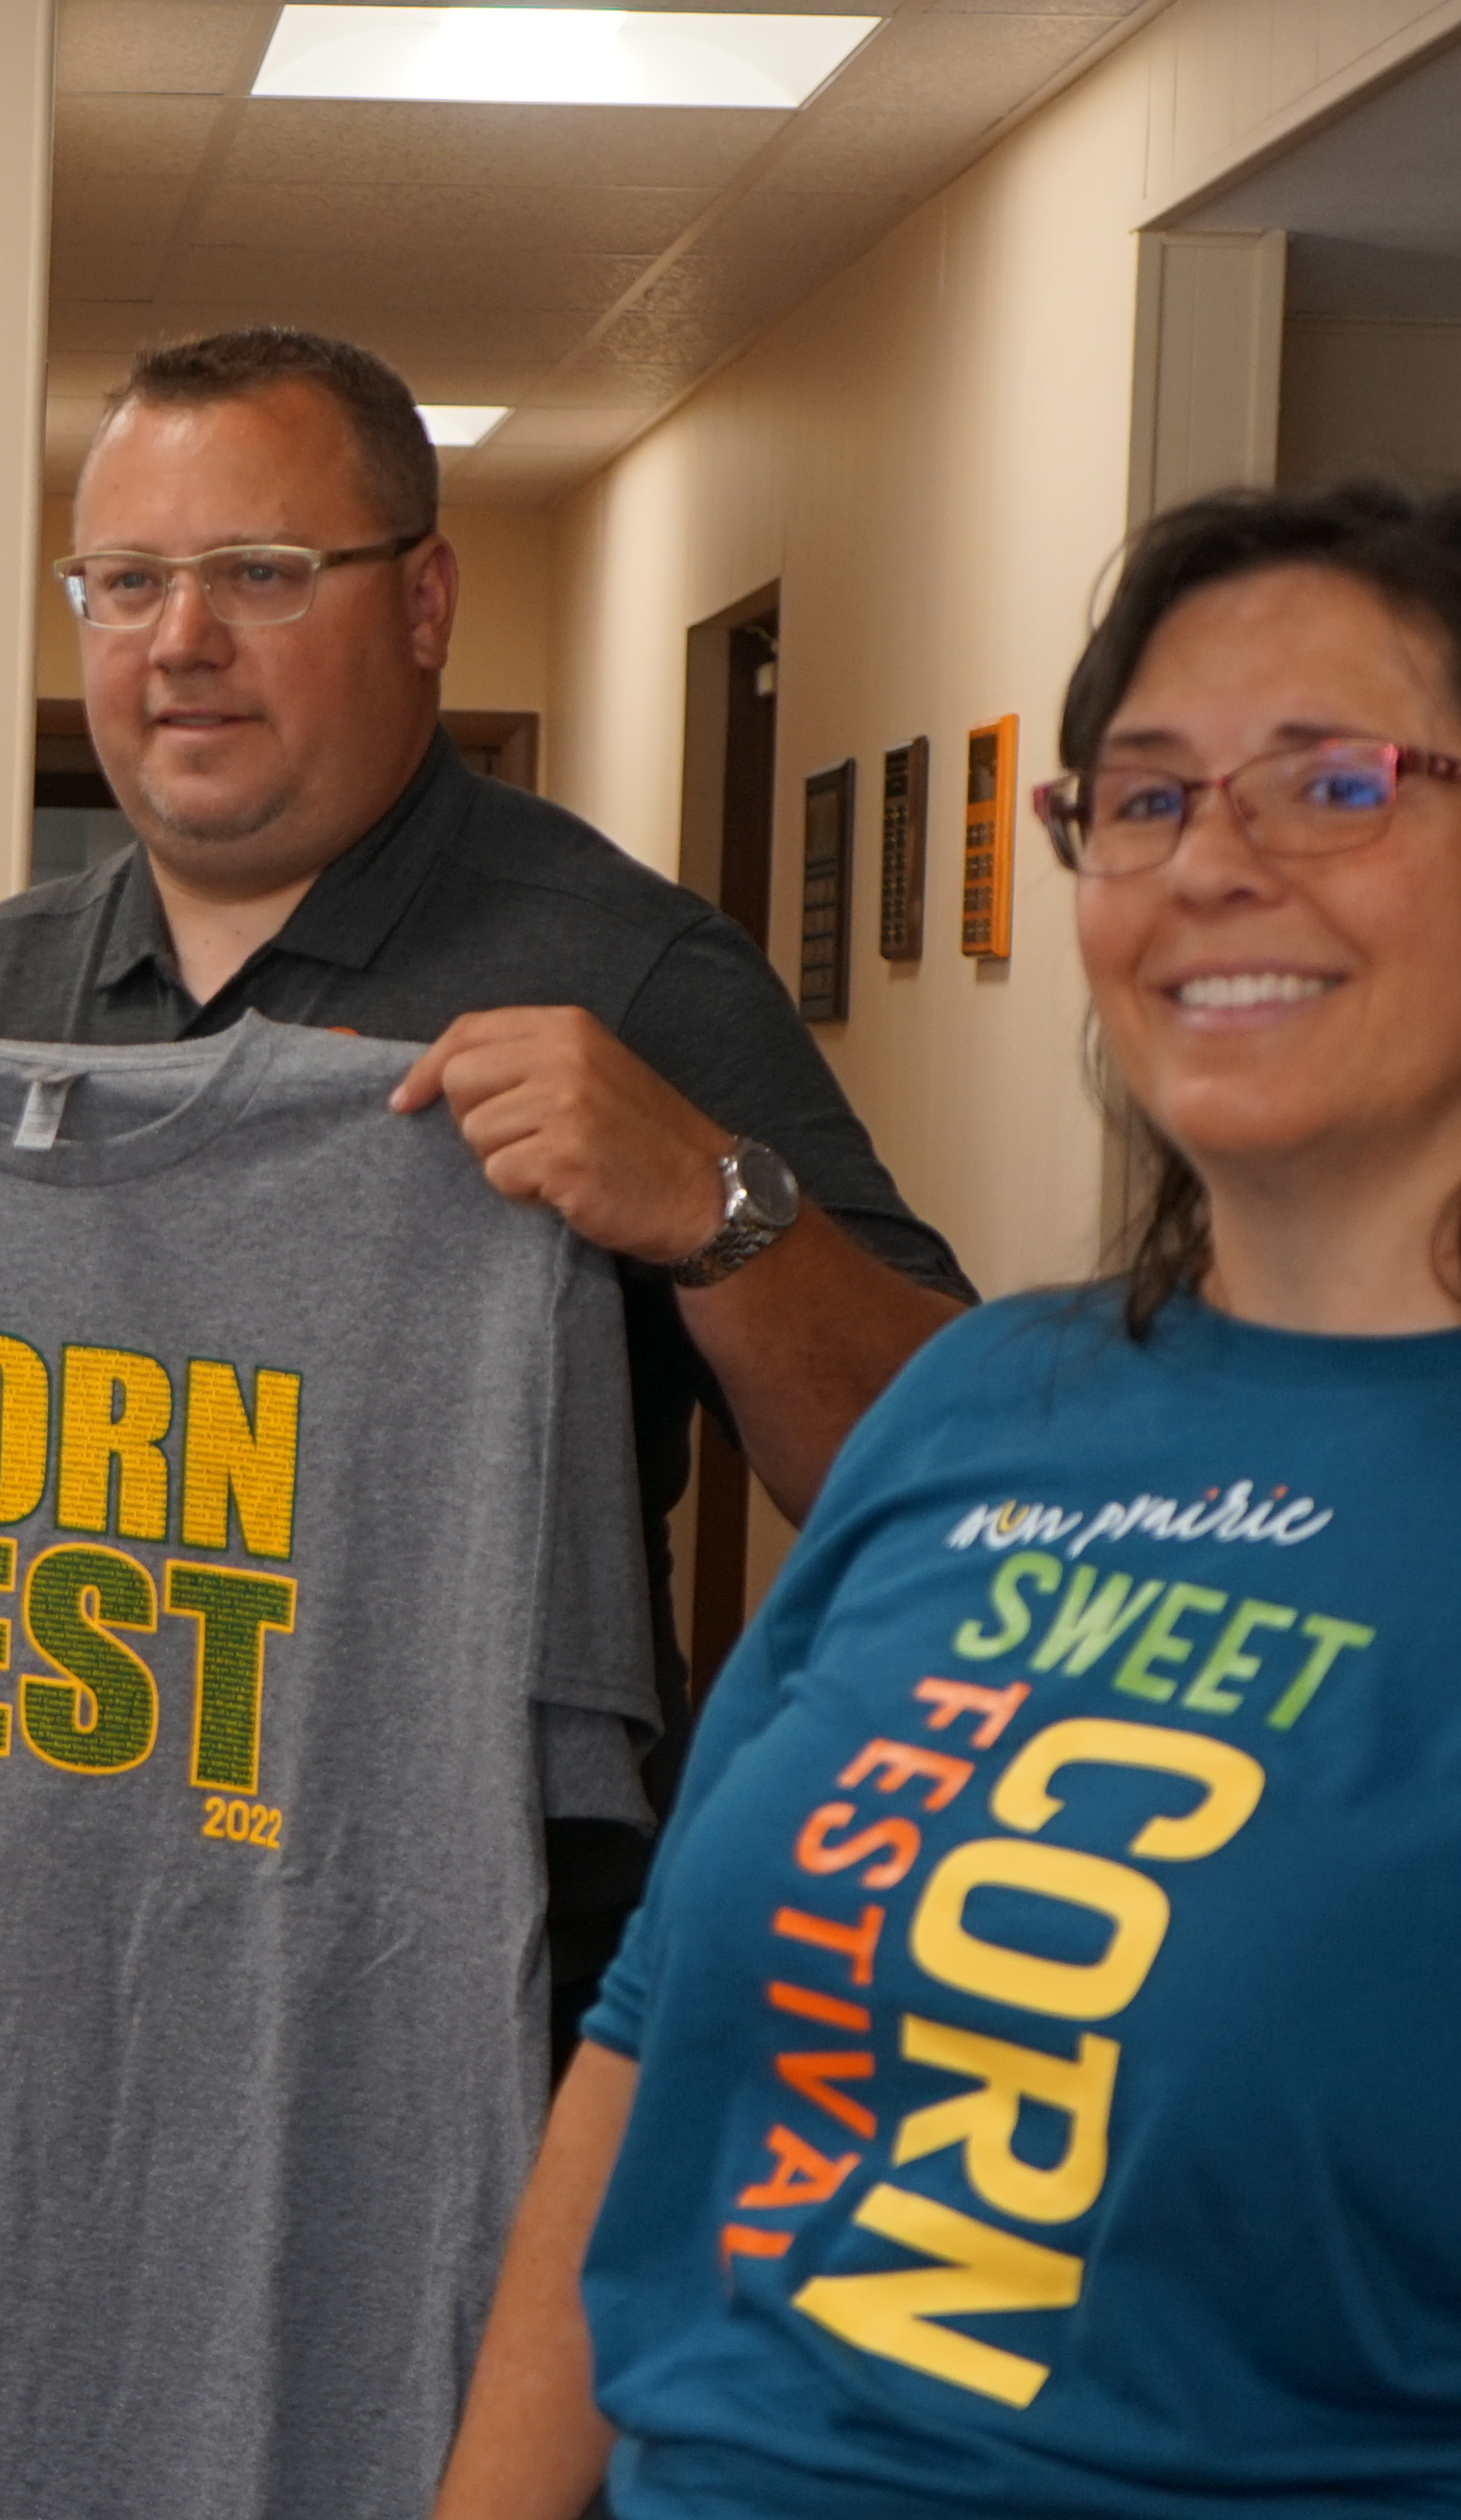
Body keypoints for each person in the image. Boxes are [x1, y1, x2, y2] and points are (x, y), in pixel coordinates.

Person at [0, 327, 976, 2048]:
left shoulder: (636, 980)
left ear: (424, 605)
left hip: (453, 2017)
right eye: (124, 582)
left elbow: (952, 1487)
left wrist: (716, 1204)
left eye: (260, 574)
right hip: (45, 1985)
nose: (180, 643)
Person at [433, 480, 1461, 2519]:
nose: (1215, 867)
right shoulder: (980, 1403)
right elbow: (641, 2062)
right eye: (1144, 800)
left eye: (1331, 783)